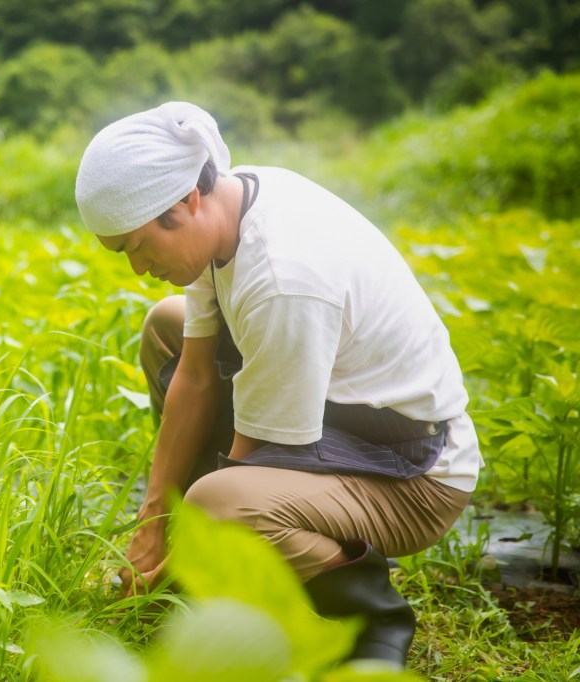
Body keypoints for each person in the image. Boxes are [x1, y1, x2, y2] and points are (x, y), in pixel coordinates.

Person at [74, 102, 482, 668]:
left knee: (220, 503)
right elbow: (193, 374)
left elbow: (255, 461)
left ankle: (372, 619)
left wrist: (171, 573)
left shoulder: (283, 278)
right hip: (342, 418)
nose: (137, 269)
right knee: (165, 326)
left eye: (138, 247)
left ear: (186, 203)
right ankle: (229, 560)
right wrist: (153, 526)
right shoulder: (229, 210)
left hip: (415, 471)